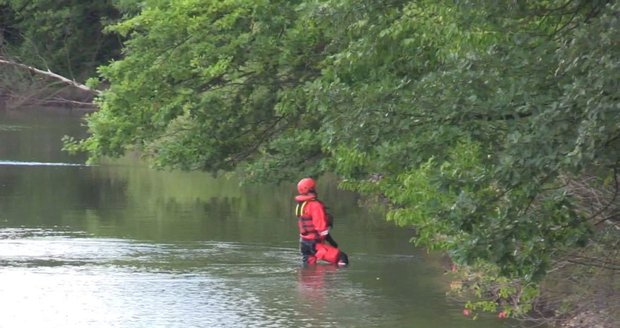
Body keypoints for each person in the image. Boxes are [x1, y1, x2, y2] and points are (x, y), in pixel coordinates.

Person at [295, 177, 349, 266]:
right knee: (342, 258)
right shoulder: (315, 205)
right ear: (311, 189)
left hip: (303, 243)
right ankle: (333, 278)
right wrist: (332, 242)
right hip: (315, 244)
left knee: (309, 266)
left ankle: (308, 277)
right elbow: (321, 228)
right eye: (314, 187)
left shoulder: (301, 205)